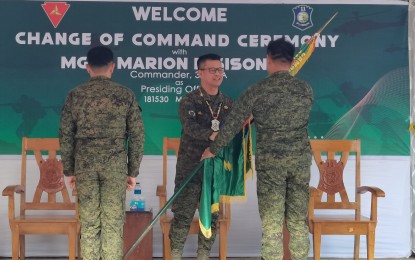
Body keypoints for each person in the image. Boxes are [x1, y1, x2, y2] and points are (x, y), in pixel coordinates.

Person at [202, 38, 313, 260]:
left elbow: (233, 124)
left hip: (271, 165)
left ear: (268, 59)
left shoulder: (258, 90)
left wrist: (213, 149)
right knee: (298, 221)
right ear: (291, 61)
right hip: (300, 162)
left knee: (272, 225)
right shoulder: (305, 89)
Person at [59, 45, 145, 260]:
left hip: (85, 166)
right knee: (113, 224)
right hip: (114, 166)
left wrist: (69, 170)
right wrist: (132, 171)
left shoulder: (75, 95)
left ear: (87, 67)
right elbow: (137, 135)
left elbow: (66, 135)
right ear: (112, 67)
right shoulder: (125, 95)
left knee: (88, 224)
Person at [169, 53, 233, 260]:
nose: (218, 74)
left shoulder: (228, 104)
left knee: (211, 218)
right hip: (190, 168)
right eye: (212, 70)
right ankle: (176, 255)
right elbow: (189, 128)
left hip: (214, 170)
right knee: (182, 217)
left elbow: (233, 132)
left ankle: (204, 256)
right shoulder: (189, 101)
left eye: (220, 70)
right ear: (200, 73)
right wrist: (212, 134)